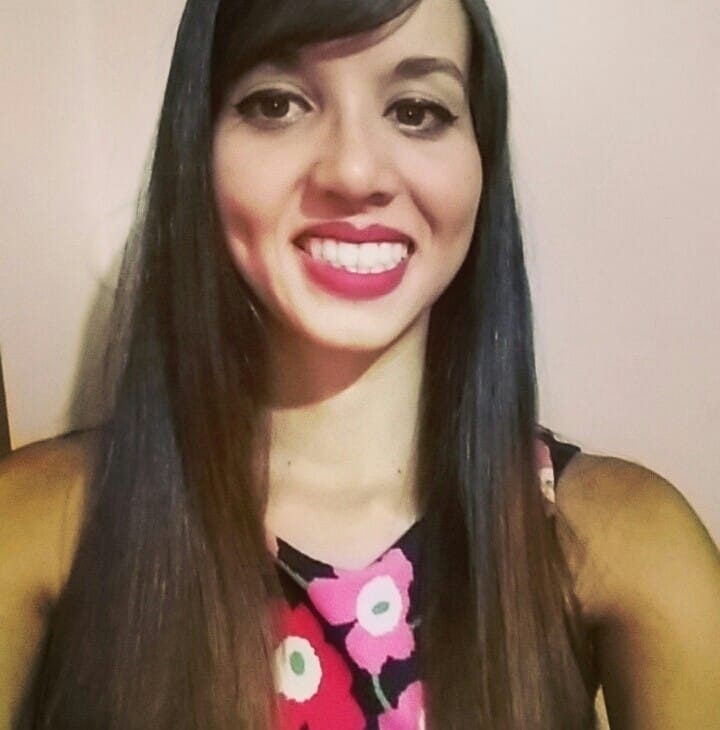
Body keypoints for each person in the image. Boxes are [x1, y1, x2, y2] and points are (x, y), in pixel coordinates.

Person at [1, 0, 718, 728]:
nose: (352, 171)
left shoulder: (629, 543)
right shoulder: (37, 526)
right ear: (199, 146)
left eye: (416, 111)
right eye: (277, 104)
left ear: (481, 159)